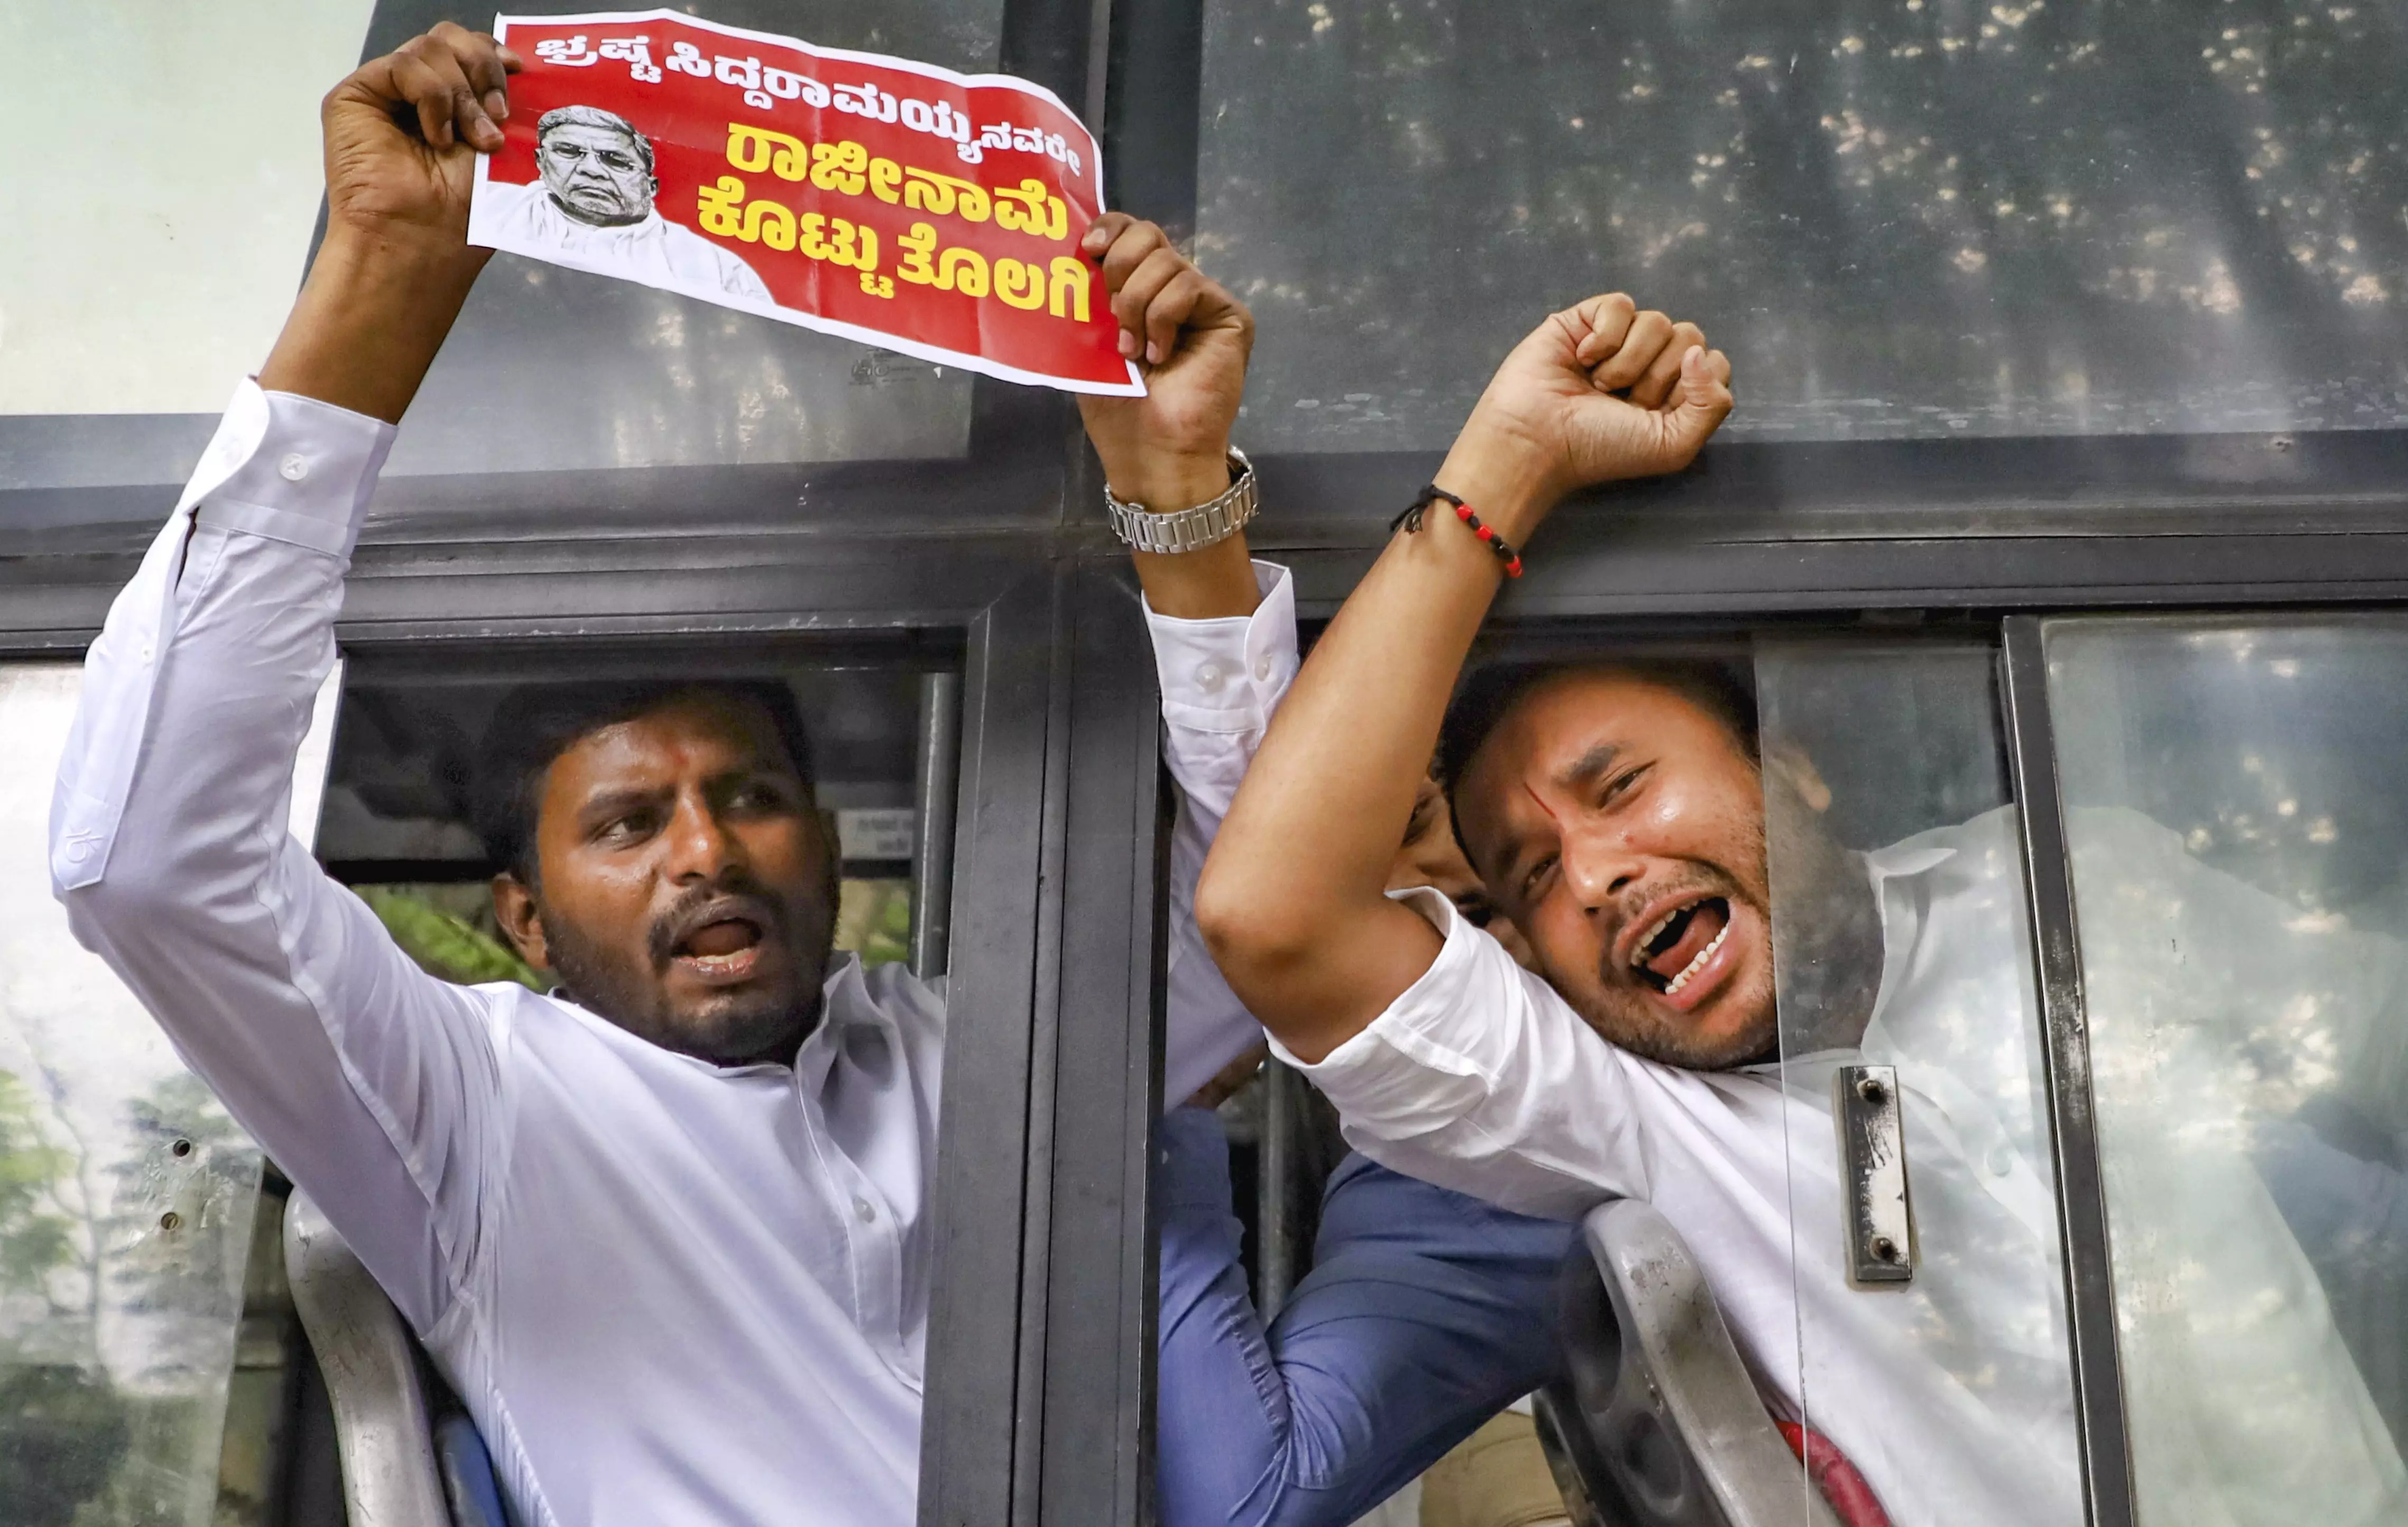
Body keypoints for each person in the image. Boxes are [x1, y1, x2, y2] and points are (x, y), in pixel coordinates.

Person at [49, 24, 1282, 1525]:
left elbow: (1265, 928)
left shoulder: (974, 1060)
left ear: (829, 848)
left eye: (751, 796)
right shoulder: (473, 1108)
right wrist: (379, 282)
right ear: (523, 919)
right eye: (628, 824)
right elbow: (149, 863)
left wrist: (1175, 503)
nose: (707, 849)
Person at [1194, 294, 2408, 1525]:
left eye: (1617, 786)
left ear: (1794, 766)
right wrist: (1508, 463)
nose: (1594, 872)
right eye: (1529, 874)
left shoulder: (2073, 881)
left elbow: (2375, 1030)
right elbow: (1271, 910)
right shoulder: (1654, 1134)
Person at [1156, 777, 1575, 1527]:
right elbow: (1244, 1504)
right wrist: (1183, 1087)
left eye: (1413, 816)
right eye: (1339, 871)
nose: (1418, 881)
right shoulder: (1447, 1171)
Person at [471, 102, 774, 302]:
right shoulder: (481, 207)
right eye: (569, 151)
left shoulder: (719, 270)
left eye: (615, 160)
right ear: (540, 161)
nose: (591, 170)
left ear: (651, 187)